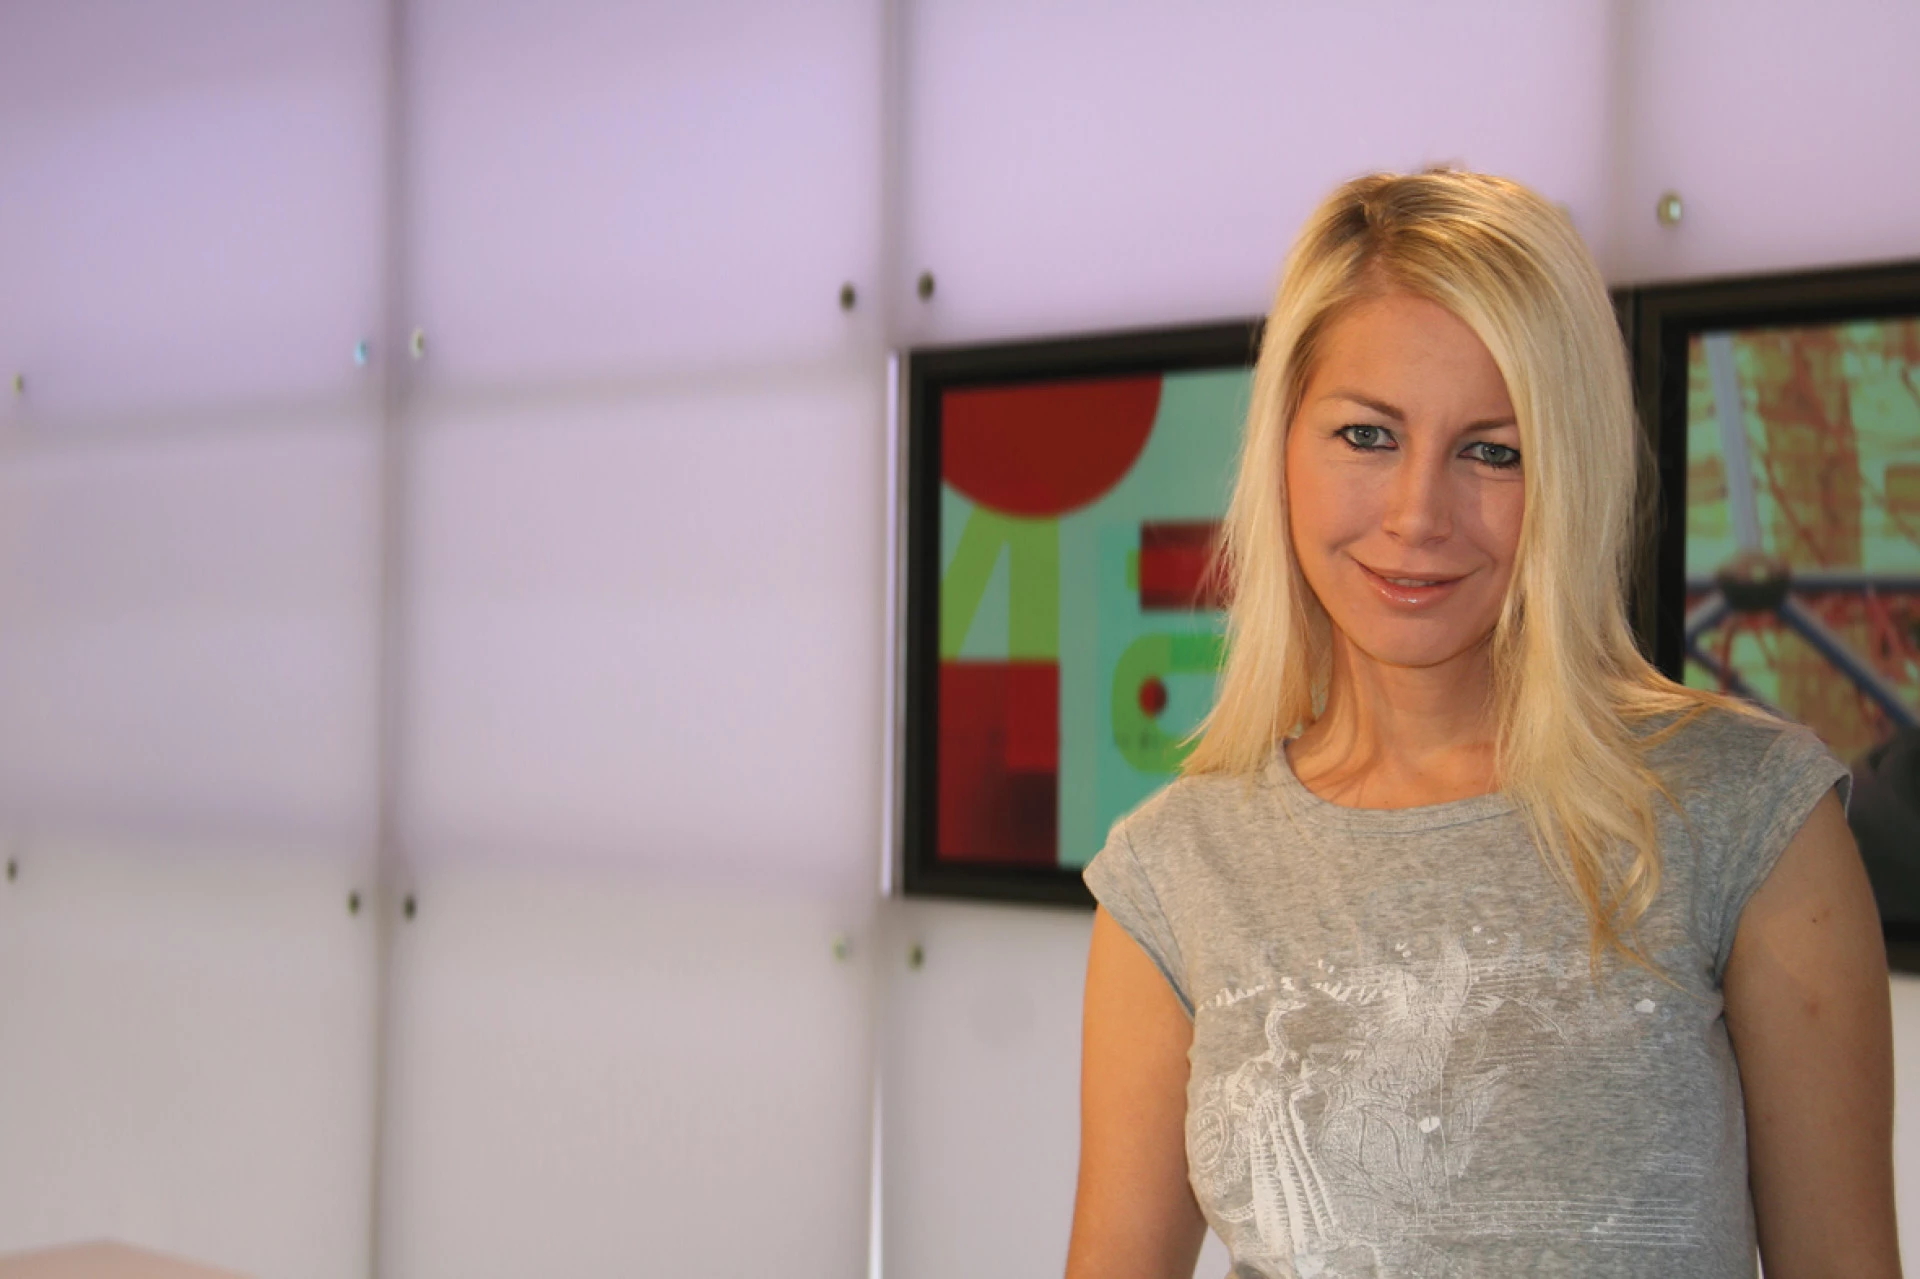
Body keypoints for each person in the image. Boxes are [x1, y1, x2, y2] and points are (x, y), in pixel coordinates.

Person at [1066, 170, 1899, 1279]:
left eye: (1492, 450)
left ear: (1571, 471)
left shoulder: (1748, 815)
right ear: (1281, 449)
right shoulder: (1173, 874)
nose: (1418, 515)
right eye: (1367, 435)